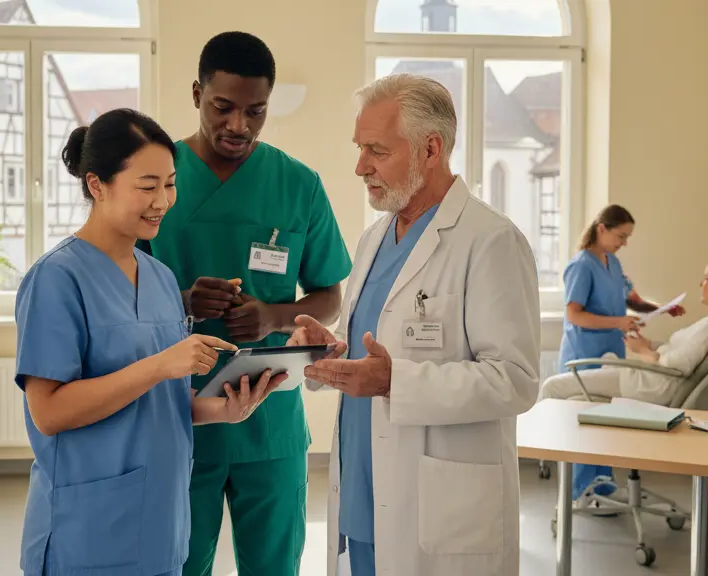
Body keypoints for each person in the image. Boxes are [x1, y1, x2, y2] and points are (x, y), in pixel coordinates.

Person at [14, 108, 288, 576]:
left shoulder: (160, 278)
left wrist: (222, 410)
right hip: (90, 528)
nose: (163, 200)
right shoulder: (56, 279)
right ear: (97, 184)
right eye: (147, 185)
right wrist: (163, 364)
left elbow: (160, 401)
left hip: (161, 525)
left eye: (170, 183)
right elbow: (49, 412)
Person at [288, 73, 541, 576]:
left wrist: (393, 381)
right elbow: (379, 351)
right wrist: (330, 356)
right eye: (360, 148)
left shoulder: (490, 241)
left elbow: (515, 380)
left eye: (376, 151)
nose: (360, 167)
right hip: (365, 495)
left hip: (438, 512)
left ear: (431, 148)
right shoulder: (374, 239)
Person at [137, 31, 352, 576]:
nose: (239, 125)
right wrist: (182, 302)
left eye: (255, 111)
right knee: (180, 562)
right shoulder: (160, 180)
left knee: (275, 564)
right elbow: (116, 292)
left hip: (270, 416)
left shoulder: (297, 185)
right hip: (178, 411)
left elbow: (329, 295)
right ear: (196, 94)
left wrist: (273, 317)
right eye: (222, 107)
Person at [557, 204, 687, 504]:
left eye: (627, 237)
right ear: (601, 228)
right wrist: (619, 321)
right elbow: (575, 315)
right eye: (621, 235)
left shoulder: (612, 263)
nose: (624, 243)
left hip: (611, 352)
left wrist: (662, 309)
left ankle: (603, 487)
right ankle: (583, 492)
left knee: (606, 422)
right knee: (586, 423)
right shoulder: (581, 266)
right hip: (585, 353)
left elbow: (633, 300)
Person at [541, 265, 708, 406]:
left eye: (706, 278)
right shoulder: (704, 324)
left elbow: (676, 366)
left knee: (552, 386)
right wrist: (649, 344)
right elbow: (676, 354)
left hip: (650, 384)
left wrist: (643, 350)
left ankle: (531, 444)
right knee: (573, 397)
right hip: (650, 379)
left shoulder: (706, 328)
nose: (701, 283)